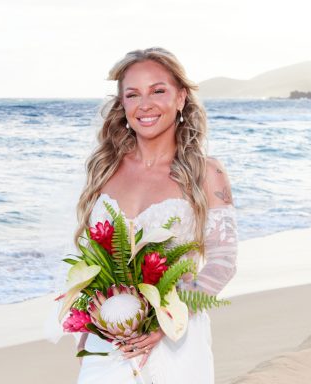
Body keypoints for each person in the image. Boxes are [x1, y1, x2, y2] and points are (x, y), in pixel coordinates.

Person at [72, 47, 238, 383]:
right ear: (123, 105)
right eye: (133, 94)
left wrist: (166, 320)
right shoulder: (104, 169)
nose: (144, 104)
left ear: (181, 97)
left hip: (176, 339)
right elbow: (87, 259)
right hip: (110, 340)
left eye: (158, 91)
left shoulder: (206, 173)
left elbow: (223, 261)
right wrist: (89, 328)